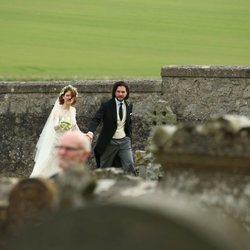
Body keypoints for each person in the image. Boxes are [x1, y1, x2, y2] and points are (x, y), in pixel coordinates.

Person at [87, 81, 136, 175]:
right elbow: (96, 119)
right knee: (104, 167)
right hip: (109, 142)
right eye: (118, 91)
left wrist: (129, 138)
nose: (120, 94)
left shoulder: (129, 105)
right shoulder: (106, 106)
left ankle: (134, 187)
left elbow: (129, 124)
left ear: (127, 93)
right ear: (114, 92)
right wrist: (90, 132)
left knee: (129, 165)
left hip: (124, 141)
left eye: (123, 92)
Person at [30, 85, 79, 178]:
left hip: (68, 142)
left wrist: (84, 135)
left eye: (72, 96)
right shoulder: (57, 110)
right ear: (63, 96)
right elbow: (55, 127)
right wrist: (63, 125)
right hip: (57, 140)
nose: (70, 98)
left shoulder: (73, 110)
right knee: (51, 161)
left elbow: (75, 125)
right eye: (68, 95)